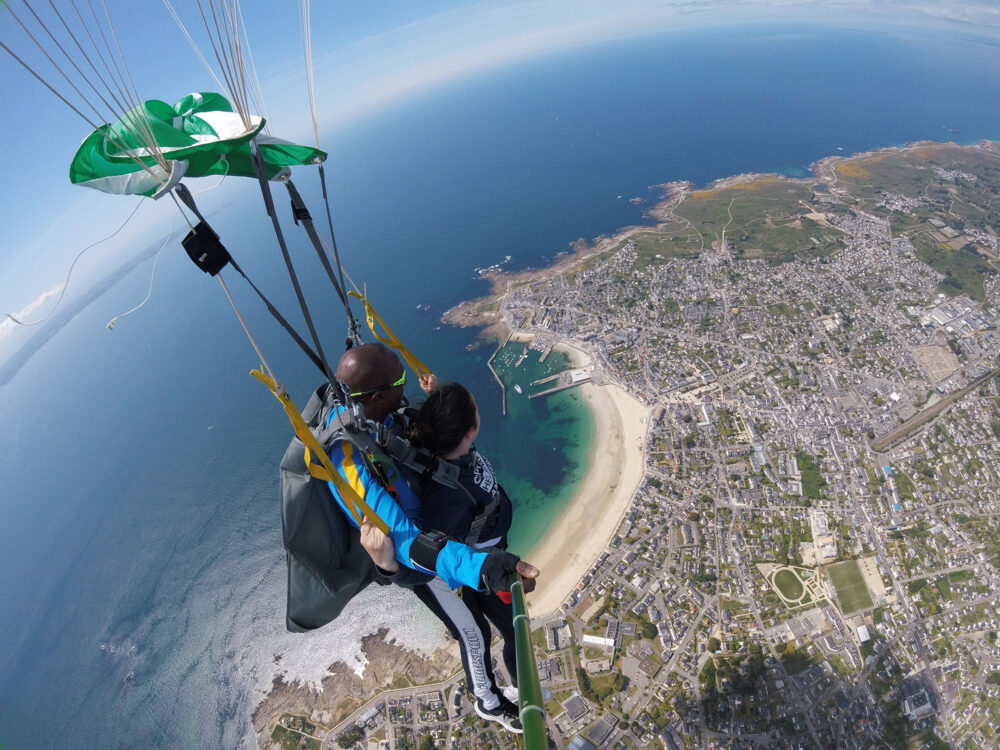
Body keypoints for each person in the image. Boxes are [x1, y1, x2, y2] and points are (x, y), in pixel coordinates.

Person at [361, 380, 540, 734]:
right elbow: (422, 564)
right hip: (447, 574)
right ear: (470, 429)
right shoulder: (448, 497)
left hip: (481, 558)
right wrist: (388, 566)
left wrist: (439, 396)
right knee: (476, 636)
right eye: (474, 408)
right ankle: (488, 700)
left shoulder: (448, 447)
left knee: (513, 626)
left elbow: (445, 423)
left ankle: (523, 686)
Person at [324, 342, 538, 601]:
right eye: (401, 379)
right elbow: (411, 545)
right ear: (376, 397)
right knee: (480, 635)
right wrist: (483, 568)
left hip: (483, 534)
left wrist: (439, 401)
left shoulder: (373, 415)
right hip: (461, 557)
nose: (406, 384)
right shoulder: (352, 464)